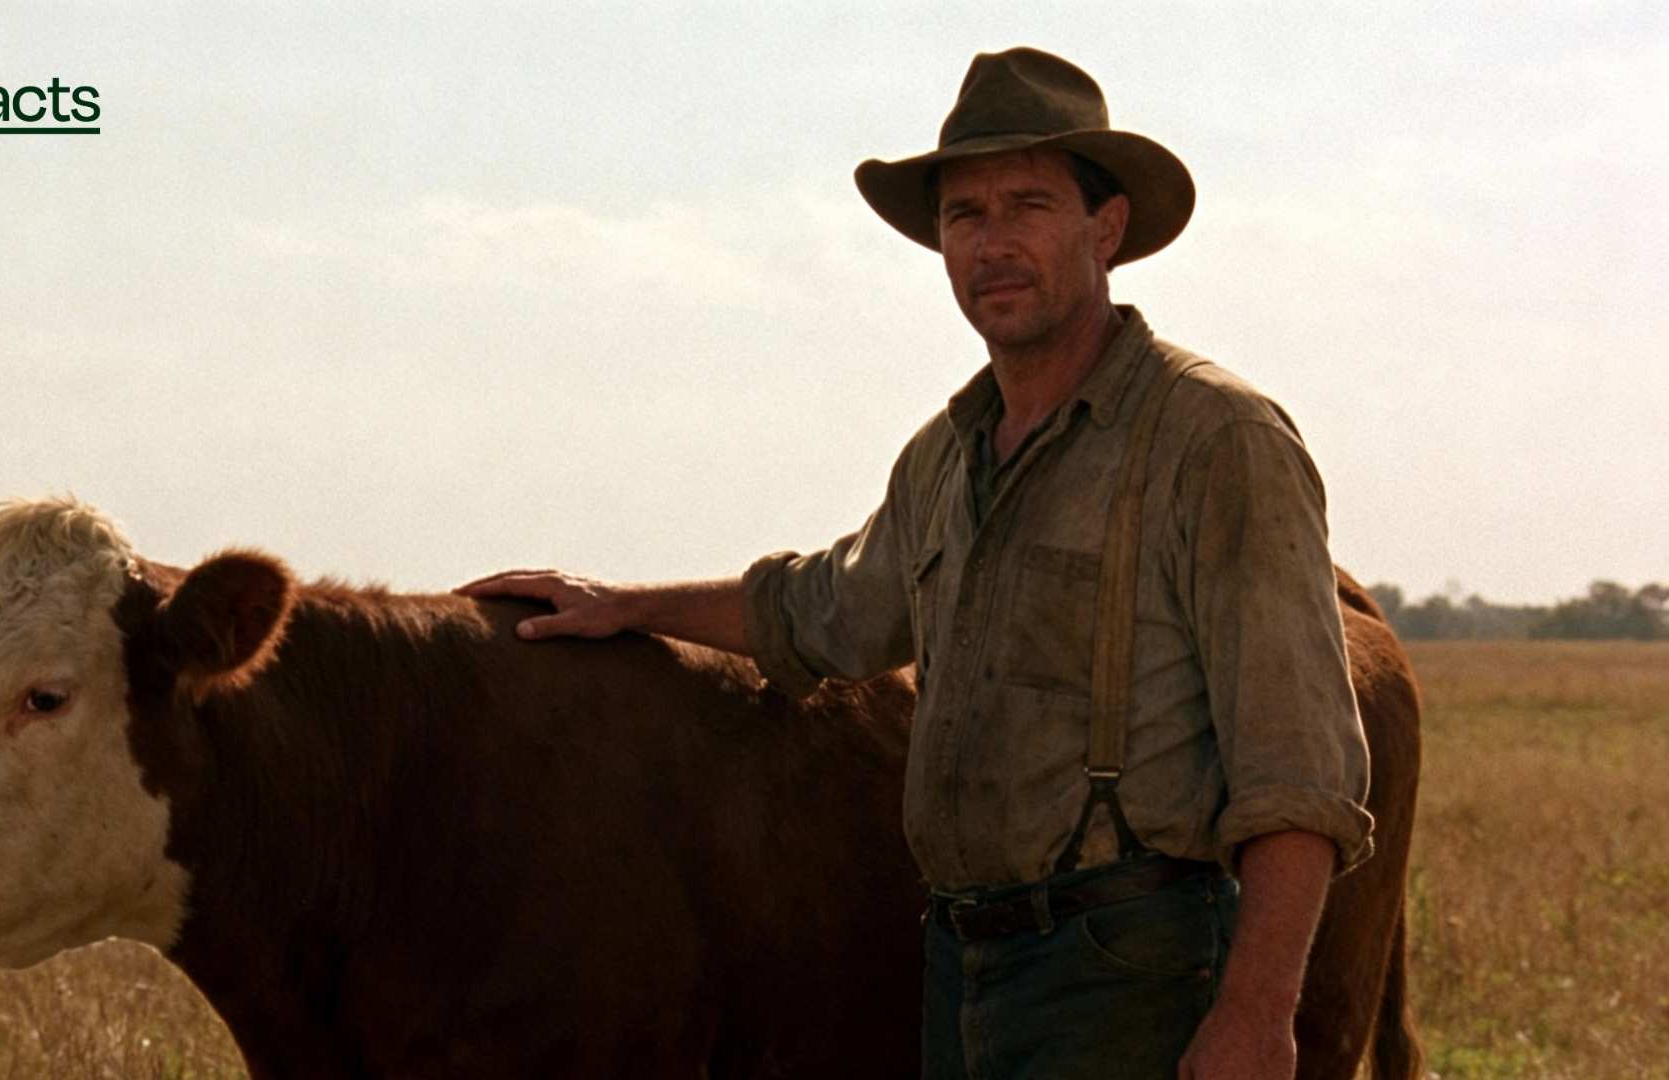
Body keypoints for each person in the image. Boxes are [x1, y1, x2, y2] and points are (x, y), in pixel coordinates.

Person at [459, 47, 1372, 1080]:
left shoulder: (1214, 439)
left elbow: (1299, 771)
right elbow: (826, 612)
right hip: (960, 961)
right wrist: (623, 604)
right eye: (964, 216)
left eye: (1028, 204)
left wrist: (1255, 1016)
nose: (994, 245)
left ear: (1106, 229)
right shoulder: (948, 454)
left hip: (1134, 965)